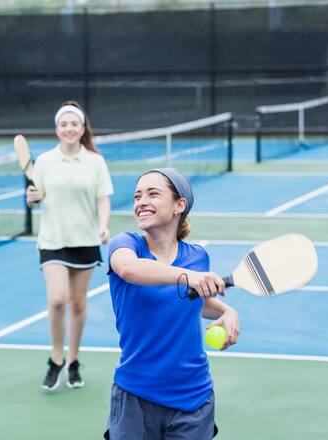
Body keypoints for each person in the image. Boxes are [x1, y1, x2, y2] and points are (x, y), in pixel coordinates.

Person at [104, 168, 240, 439]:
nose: (141, 201)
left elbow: (191, 302)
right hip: (136, 394)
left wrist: (227, 310)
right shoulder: (127, 245)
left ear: (180, 205)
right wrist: (189, 276)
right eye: (137, 195)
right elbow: (130, 270)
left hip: (193, 396)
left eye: (153, 194)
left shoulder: (198, 257)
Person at [26, 101, 114, 391]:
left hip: (86, 240)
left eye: (73, 123)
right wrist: (32, 197)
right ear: (57, 129)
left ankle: (73, 361)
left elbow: (103, 197)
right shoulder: (45, 161)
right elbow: (35, 197)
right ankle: (56, 359)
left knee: (78, 304)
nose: (68, 128)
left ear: (82, 127)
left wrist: (103, 224)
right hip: (52, 241)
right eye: (63, 124)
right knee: (57, 300)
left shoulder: (95, 161)